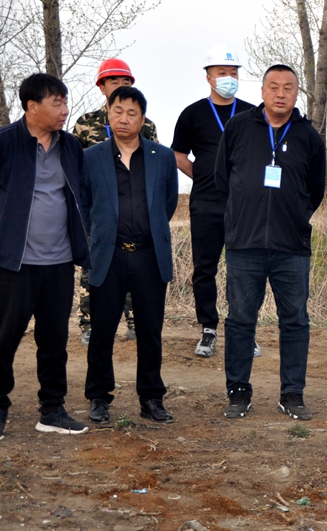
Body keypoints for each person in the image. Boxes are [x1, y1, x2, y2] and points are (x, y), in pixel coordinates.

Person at [215, 64, 326, 420]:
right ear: (262, 91)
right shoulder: (238, 127)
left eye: (288, 87)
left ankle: (292, 394)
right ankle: (238, 392)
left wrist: (292, 216)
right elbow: (222, 178)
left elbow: (315, 189)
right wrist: (241, 217)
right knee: (240, 320)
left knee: (295, 321)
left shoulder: (308, 136)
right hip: (244, 244)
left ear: (296, 93)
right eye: (274, 86)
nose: (281, 93)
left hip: (291, 247)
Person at [0, 73, 91, 438]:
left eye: (65, 102)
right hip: (14, 264)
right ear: (32, 106)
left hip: (59, 262)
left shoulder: (70, 147)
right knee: (4, 339)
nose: (65, 110)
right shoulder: (6, 143)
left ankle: (52, 410)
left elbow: (80, 195)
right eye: (57, 103)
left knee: (54, 342)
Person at [82, 87, 178, 424]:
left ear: (142, 118)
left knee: (150, 331)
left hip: (149, 256)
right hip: (108, 255)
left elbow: (168, 203)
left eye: (132, 113)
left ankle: (151, 398)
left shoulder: (162, 157)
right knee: (102, 331)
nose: (124, 118)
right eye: (118, 111)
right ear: (108, 114)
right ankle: (98, 397)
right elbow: (84, 204)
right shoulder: (91, 157)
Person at [172, 44, 258, 359]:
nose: (229, 78)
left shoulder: (252, 113)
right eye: (222, 72)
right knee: (204, 269)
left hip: (244, 206)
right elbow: (179, 155)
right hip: (206, 203)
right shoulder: (192, 113)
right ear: (209, 77)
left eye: (233, 73)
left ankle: (244, 330)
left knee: (244, 269)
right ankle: (208, 328)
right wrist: (207, 176)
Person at [72, 58, 159, 347]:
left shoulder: (146, 125)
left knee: (136, 267)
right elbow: (75, 169)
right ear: (102, 87)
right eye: (113, 82)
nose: (120, 86)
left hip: (135, 212)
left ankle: (135, 322)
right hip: (99, 212)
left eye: (125, 82)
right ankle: (89, 323)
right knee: (94, 269)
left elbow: (157, 172)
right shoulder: (86, 124)